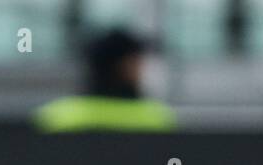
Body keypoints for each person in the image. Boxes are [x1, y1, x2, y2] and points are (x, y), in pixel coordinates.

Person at [33, 28, 176, 133]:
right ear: (125, 67)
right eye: (137, 62)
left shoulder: (55, 118)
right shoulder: (156, 120)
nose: (143, 68)